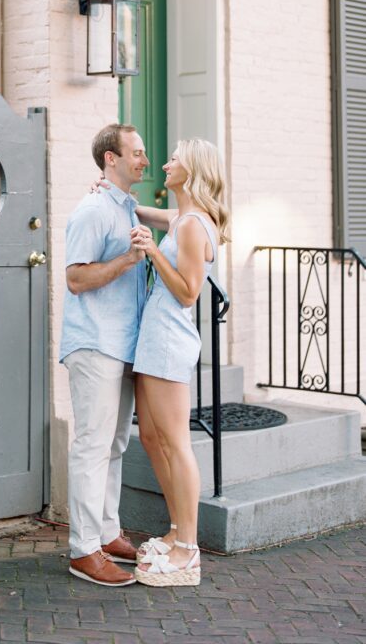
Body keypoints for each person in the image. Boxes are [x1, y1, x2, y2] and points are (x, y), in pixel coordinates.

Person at [129, 138, 229, 588]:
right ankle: (174, 530)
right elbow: (160, 216)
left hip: (169, 342)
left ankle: (188, 549)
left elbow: (188, 292)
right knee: (151, 437)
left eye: (174, 160)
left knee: (175, 442)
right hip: (153, 341)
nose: (165, 164)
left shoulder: (192, 226)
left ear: (191, 171)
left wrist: (151, 251)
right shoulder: (184, 218)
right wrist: (122, 201)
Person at [60, 123, 149, 586]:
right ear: (110, 158)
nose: (145, 160)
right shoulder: (93, 210)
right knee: (92, 447)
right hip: (95, 345)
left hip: (124, 344)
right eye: (136, 152)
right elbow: (75, 279)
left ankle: (108, 532)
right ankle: (83, 549)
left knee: (114, 445)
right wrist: (128, 262)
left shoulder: (128, 208)